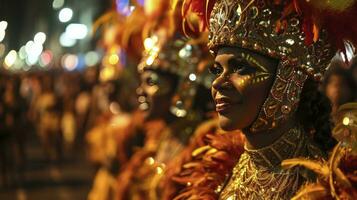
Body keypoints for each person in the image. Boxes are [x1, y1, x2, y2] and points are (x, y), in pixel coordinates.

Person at [173, 0, 357, 199]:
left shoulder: (327, 186)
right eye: (217, 70)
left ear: (288, 80)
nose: (218, 83)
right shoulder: (220, 172)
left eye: (241, 67)